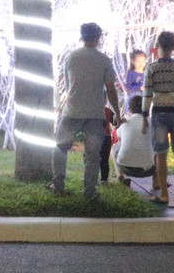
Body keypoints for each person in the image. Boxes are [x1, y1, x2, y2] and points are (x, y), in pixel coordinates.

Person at [49, 22, 125, 201]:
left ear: (81, 37)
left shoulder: (71, 58)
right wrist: (117, 113)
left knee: (60, 147)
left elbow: (68, 87)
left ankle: (57, 184)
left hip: (72, 111)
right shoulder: (104, 60)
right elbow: (111, 90)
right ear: (98, 38)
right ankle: (89, 192)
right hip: (95, 114)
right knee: (93, 156)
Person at [142, 31, 174, 204]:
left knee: (161, 154)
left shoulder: (152, 68)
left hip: (159, 114)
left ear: (158, 47)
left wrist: (144, 116)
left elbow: (147, 95)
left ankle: (164, 193)